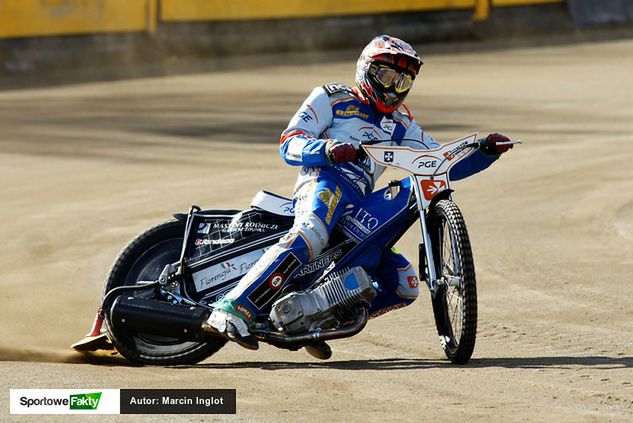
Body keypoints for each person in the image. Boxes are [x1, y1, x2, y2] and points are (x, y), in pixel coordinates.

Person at [206, 35, 512, 359]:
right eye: (386, 77)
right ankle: (232, 307)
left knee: (405, 283)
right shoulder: (331, 97)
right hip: (324, 180)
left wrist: (484, 153)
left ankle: (315, 317)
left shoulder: (402, 124)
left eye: (403, 81)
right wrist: (326, 150)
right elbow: (289, 142)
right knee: (311, 232)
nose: (393, 89)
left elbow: (436, 163)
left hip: (360, 200)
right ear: (366, 70)